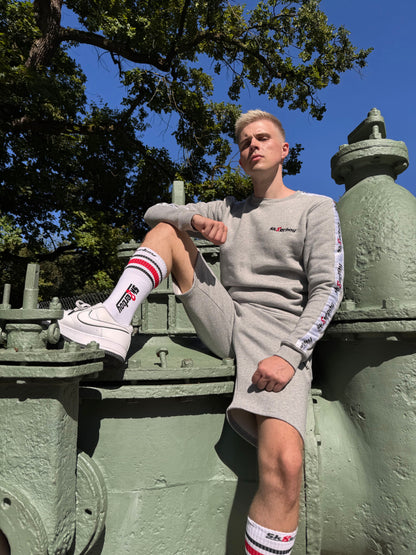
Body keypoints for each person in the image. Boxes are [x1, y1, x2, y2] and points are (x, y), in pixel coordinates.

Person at [59, 110, 343, 555]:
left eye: (263, 138)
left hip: (278, 336)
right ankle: (114, 316)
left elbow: (329, 289)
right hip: (226, 318)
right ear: (241, 158)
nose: (253, 145)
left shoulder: (316, 207)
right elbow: (154, 212)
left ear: (284, 149)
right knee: (166, 231)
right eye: (245, 142)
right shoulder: (228, 209)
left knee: (286, 468)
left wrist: (291, 355)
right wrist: (193, 222)